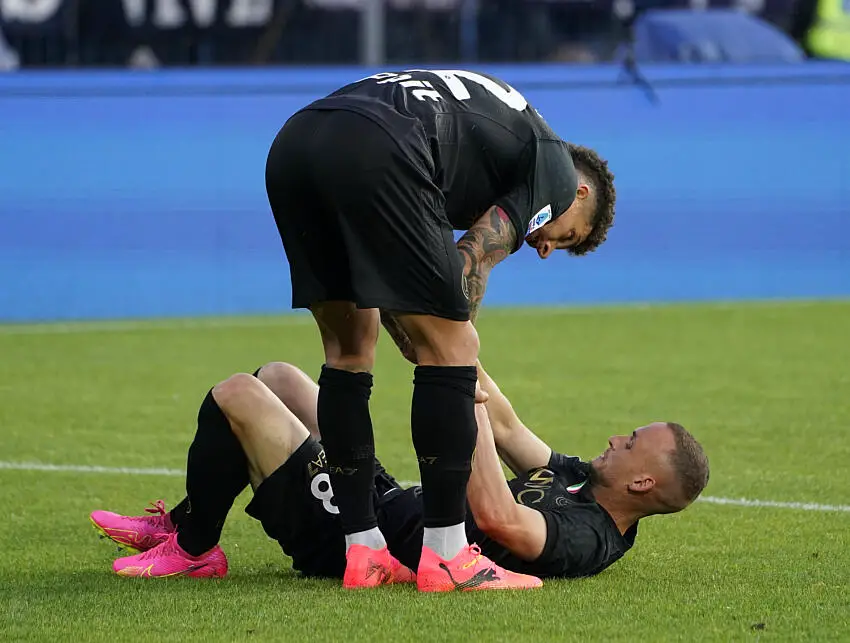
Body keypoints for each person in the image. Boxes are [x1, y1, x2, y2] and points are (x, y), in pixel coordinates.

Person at [264, 68, 617, 590]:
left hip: (297, 143)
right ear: (579, 193)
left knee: (348, 349)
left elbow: (396, 292)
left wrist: (424, 342)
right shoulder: (558, 176)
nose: (545, 248)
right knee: (456, 346)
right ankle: (449, 557)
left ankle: (364, 550)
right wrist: (452, 365)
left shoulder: (502, 140)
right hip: (383, 145)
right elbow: (471, 258)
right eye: (566, 238)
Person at [90, 360, 708, 588]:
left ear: (643, 484)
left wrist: (460, 405)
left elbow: (500, 519)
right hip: (383, 504)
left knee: (236, 395)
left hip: (360, 540)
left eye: (631, 442)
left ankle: (195, 548)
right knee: (278, 377)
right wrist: (445, 331)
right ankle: (183, 525)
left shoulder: (589, 537)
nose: (616, 438)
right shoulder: (578, 478)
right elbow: (509, 426)